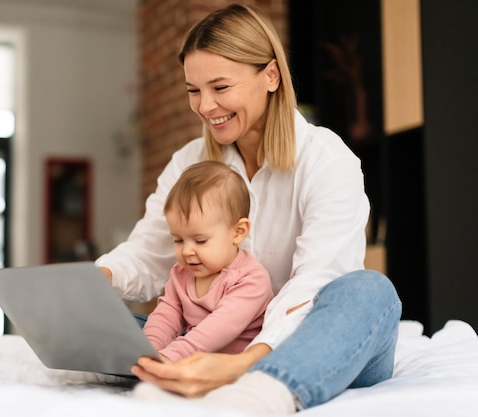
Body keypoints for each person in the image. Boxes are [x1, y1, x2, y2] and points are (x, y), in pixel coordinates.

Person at [95, 3, 401, 415]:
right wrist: (96, 280)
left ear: (270, 76)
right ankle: (166, 366)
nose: (205, 106)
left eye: (220, 88)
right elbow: (149, 254)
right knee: (111, 334)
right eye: (193, 91)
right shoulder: (188, 162)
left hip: (316, 342)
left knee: (369, 290)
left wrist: (243, 363)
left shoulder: (327, 159)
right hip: (215, 341)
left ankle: (265, 388)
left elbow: (316, 281)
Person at [142, 160, 274, 363]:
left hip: (232, 367)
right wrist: (148, 351)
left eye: (200, 241)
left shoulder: (251, 279)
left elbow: (215, 330)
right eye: (178, 240)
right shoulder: (181, 273)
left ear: (238, 232)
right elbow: (166, 315)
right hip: (192, 357)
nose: (186, 251)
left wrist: (169, 356)